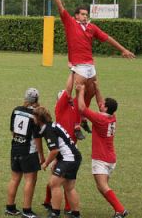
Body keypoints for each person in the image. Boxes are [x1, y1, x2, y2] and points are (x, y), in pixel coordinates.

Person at [51, 0, 135, 133]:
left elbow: (107, 38)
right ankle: (76, 125)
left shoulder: (92, 27)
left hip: (90, 66)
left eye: (86, 14)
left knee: (90, 93)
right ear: (76, 16)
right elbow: (60, 7)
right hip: (79, 66)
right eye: (82, 14)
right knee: (79, 93)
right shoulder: (70, 23)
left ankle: (83, 120)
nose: (85, 16)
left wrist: (123, 49)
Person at [76, 83, 129, 218]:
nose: (100, 104)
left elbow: (82, 108)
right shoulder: (111, 117)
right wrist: (97, 88)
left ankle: (120, 210)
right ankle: (118, 209)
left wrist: (81, 91)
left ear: (105, 108)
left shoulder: (100, 119)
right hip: (110, 158)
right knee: (102, 187)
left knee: (103, 186)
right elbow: (100, 101)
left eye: (103, 104)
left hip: (101, 159)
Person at [43, 74, 83, 214]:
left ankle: (54, 210)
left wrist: (72, 73)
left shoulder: (59, 109)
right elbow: (78, 99)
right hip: (72, 148)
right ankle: (72, 211)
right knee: (68, 185)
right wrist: (80, 90)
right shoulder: (75, 108)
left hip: (63, 150)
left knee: (54, 182)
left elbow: (68, 90)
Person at [33, 106, 82, 218]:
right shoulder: (52, 125)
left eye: (34, 117)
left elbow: (54, 150)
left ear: (39, 119)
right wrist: (56, 160)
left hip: (68, 159)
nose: (33, 119)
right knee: (69, 187)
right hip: (73, 157)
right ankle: (76, 214)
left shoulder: (48, 130)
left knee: (54, 183)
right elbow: (61, 145)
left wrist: (46, 163)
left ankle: (55, 213)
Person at [5, 88, 44, 218]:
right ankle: (27, 210)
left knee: (15, 178)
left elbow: (13, 131)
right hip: (29, 151)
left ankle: (10, 207)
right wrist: (41, 155)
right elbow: (37, 138)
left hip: (15, 147)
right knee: (30, 180)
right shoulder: (36, 115)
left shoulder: (16, 110)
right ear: (37, 100)